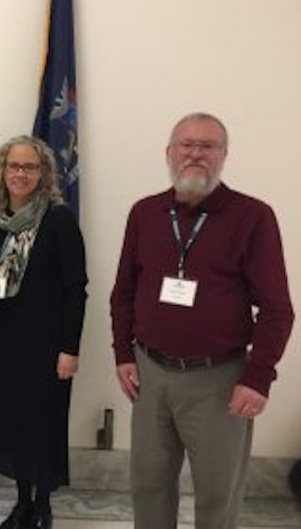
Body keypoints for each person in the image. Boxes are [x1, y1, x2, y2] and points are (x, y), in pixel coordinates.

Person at [110, 112, 295, 529]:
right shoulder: (146, 213)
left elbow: (278, 307)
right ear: (170, 153)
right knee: (149, 486)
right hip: (149, 374)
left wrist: (258, 376)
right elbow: (123, 290)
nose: (196, 154)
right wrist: (123, 353)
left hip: (219, 380)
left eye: (208, 146)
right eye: (187, 145)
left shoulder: (253, 217)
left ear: (224, 155)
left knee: (217, 493)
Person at [0, 135, 87, 529]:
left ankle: (43, 504)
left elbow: (77, 288)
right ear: (2, 172)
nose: (20, 174)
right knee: (12, 421)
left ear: (43, 174)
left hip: (48, 344)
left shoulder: (58, 220)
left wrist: (70, 348)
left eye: (29, 167)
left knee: (44, 422)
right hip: (5, 340)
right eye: (13, 166)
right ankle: (22, 501)